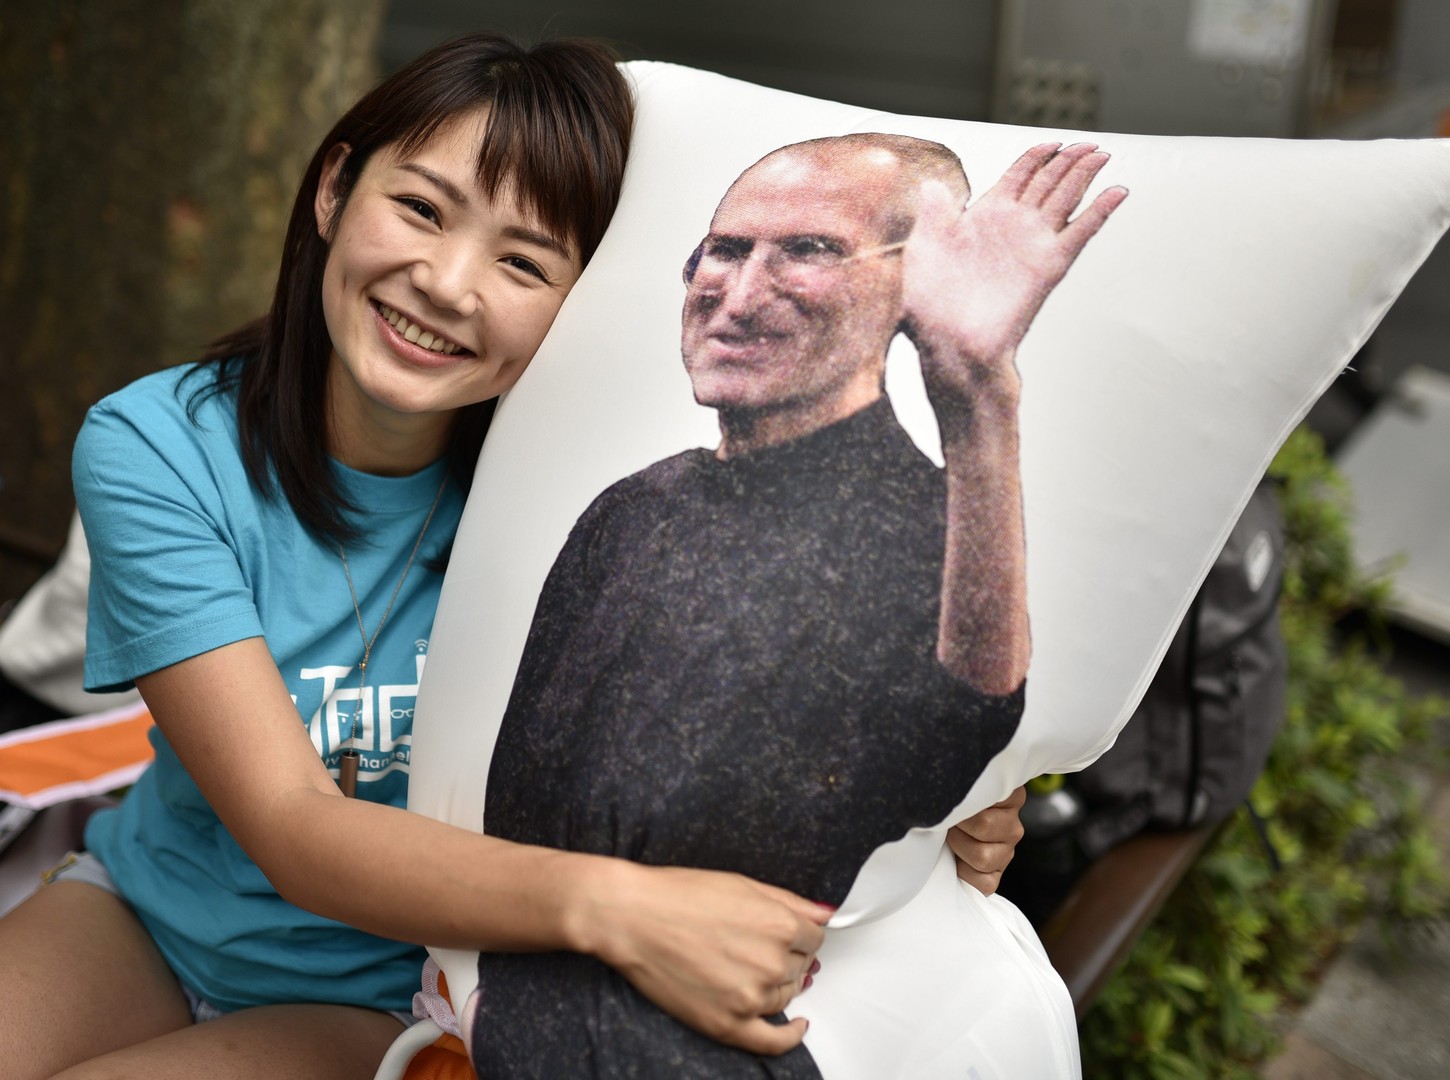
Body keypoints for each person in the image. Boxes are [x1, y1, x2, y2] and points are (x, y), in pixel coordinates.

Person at [0, 34, 1028, 1080]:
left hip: (382, 992)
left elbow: (801, 742)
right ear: (332, 190)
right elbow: (288, 819)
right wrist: (627, 912)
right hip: (147, 911)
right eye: (420, 209)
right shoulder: (162, 444)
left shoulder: (597, 505)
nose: (446, 284)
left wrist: (948, 818)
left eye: (523, 262)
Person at [474, 134, 1125, 1077]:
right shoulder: (632, 509)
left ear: (918, 283)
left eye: (810, 251)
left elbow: (962, 721)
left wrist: (977, 395)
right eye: (725, 250)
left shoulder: (931, 527)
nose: (737, 294)